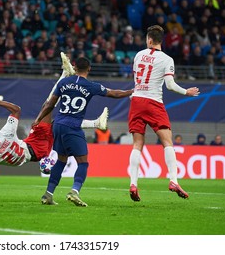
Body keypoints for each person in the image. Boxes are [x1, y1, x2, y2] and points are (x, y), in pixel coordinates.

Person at [0, 53, 109, 204]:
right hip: (35, 144)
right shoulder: (6, 132)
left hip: (37, 152)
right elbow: (16, 109)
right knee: (48, 106)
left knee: (59, 121)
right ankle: (66, 75)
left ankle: (94, 121)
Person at [33, 56, 134, 207]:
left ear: (74, 67)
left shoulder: (63, 82)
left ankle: (48, 194)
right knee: (83, 163)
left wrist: (39, 118)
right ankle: (74, 192)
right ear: (89, 69)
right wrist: (132, 91)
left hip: (58, 125)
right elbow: (115, 94)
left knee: (61, 161)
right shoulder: (90, 86)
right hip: (73, 126)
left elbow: (50, 104)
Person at [128, 25, 200, 202]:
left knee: (137, 144)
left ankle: (133, 183)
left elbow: (136, 78)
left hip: (136, 100)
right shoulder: (167, 59)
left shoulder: (138, 55)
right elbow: (169, 84)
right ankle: (173, 180)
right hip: (154, 102)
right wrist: (186, 92)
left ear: (149, 40)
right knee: (167, 141)